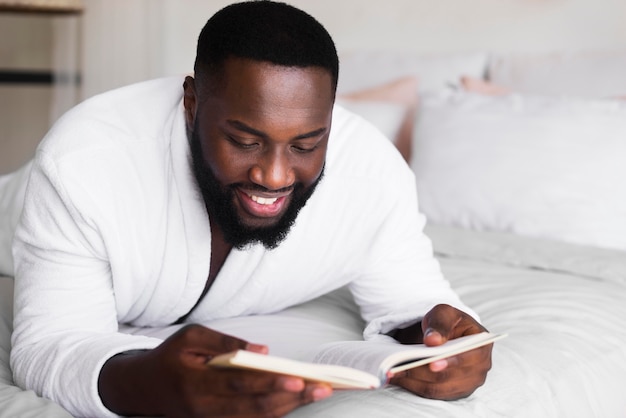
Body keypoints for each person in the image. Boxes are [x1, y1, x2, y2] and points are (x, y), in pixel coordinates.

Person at [10, 1, 493, 417]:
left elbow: (413, 302)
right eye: (244, 140)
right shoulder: (83, 164)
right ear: (192, 102)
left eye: (306, 144)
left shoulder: (372, 174)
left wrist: (441, 346)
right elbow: (50, 342)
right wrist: (148, 383)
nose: (275, 175)